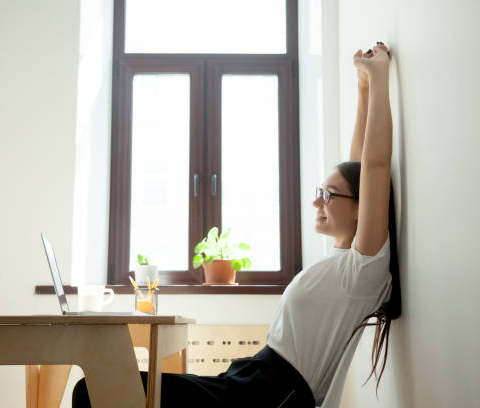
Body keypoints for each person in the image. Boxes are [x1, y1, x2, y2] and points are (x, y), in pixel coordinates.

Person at [72, 42, 400, 408]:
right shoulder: (343, 261)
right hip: (249, 380)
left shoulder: (362, 270)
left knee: (96, 390)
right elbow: (356, 167)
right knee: (98, 387)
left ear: (361, 208)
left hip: (268, 395)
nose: (316, 202)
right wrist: (363, 89)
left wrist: (380, 76)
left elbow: (373, 168)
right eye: (320, 192)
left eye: (328, 195)